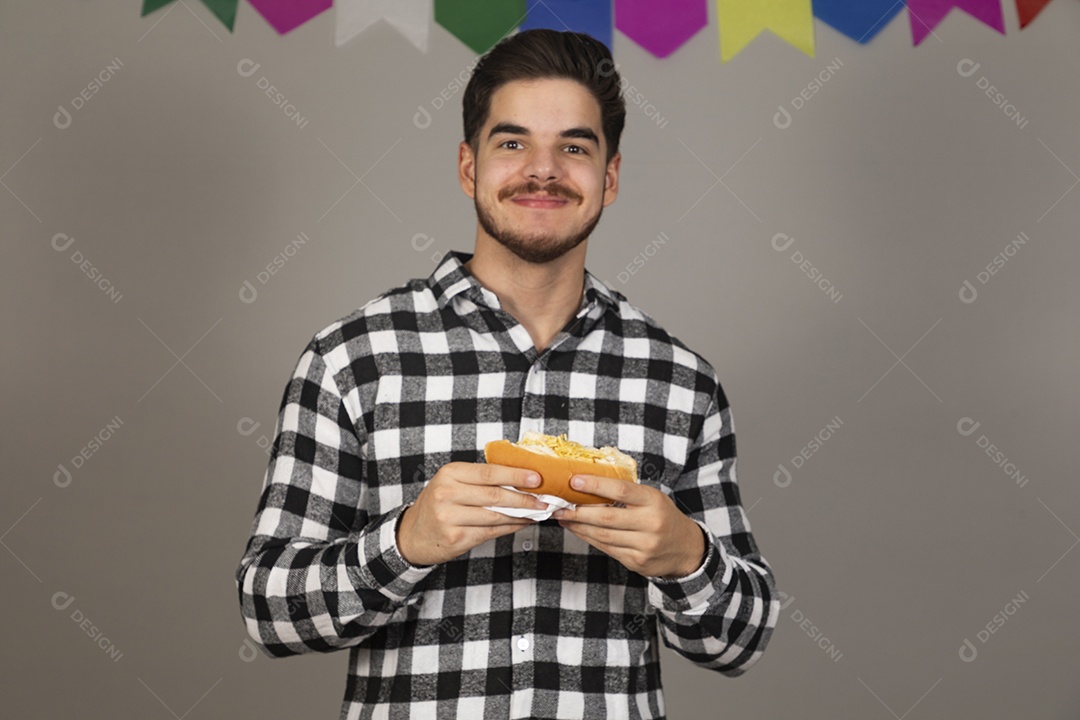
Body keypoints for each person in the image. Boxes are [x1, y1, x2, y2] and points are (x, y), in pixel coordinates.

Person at [236, 28, 778, 719]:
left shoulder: (680, 381)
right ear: (469, 167)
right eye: (513, 142)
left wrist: (687, 558)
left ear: (608, 177)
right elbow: (268, 610)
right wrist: (406, 543)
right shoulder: (352, 359)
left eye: (574, 147)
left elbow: (741, 643)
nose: (543, 170)